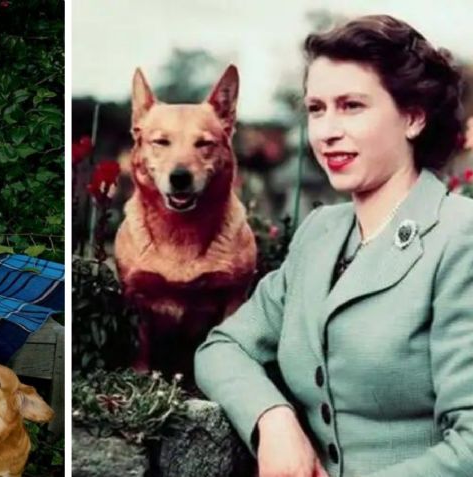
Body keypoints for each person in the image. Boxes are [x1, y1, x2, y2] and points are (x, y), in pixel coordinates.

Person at [195, 14, 472, 477]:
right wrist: (274, 420)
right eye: (316, 108)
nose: (326, 131)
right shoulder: (321, 234)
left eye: (351, 106)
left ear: (413, 116)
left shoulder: (459, 236)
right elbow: (223, 348)